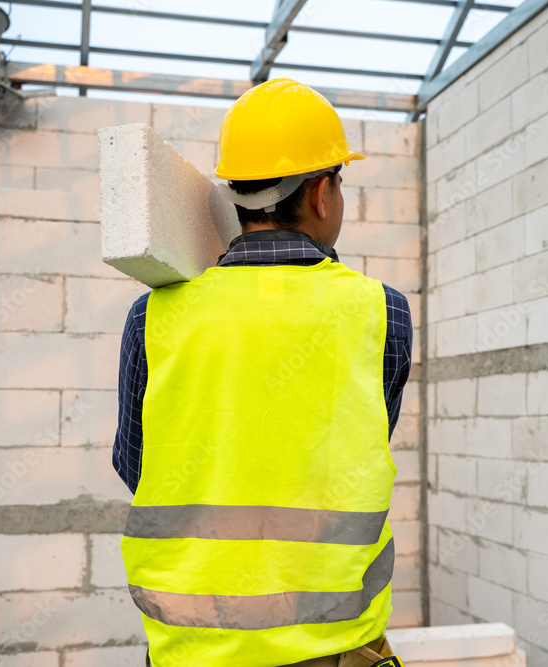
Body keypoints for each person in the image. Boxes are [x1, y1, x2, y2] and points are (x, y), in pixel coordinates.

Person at [112, 78, 412, 667]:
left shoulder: (152, 315)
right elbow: (358, 456)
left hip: (189, 653)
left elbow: (138, 467)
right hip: (335, 652)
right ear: (323, 194)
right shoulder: (383, 312)